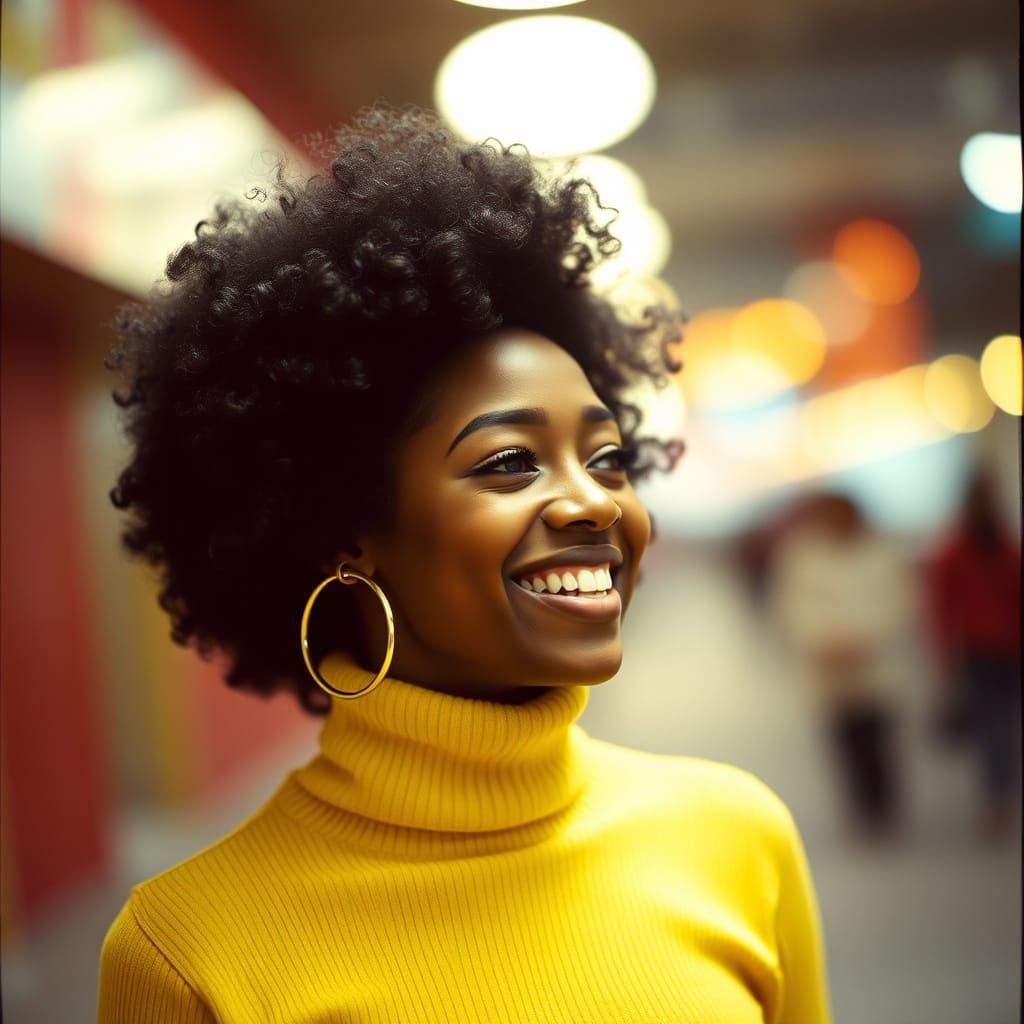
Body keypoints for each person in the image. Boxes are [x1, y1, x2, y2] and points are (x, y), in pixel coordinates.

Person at [97, 106, 831, 1022]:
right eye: (508, 462)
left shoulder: (738, 839)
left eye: (606, 458)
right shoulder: (188, 952)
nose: (595, 502)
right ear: (343, 523)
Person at [768, 493, 915, 839]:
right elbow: (791, 607)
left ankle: (884, 806)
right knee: (845, 741)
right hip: (828, 668)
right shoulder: (803, 556)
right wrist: (824, 639)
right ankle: (861, 808)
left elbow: (899, 601)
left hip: (876, 666)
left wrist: (867, 637)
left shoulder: (882, 554)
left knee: (879, 737)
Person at [926, 471, 1021, 841]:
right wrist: (944, 655)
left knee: (1003, 727)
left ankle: (1000, 793)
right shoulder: (956, 551)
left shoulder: (1006, 546)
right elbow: (942, 607)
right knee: (994, 728)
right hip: (978, 650)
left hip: (1010, 648)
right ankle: (997, 795)